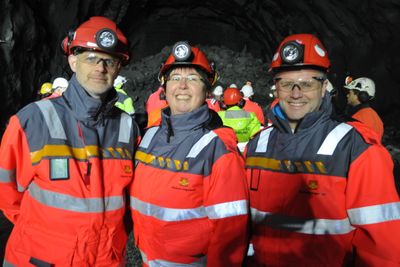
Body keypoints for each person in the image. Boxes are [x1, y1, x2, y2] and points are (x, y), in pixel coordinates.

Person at [245, 33, 400, 266]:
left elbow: (382, 249)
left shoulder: (357, 150)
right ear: (276, 87)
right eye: (286, 83)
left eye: (307, 83)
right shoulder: (257, 145)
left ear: (324, 86)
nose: (296, 93)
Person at [0, 16, 140, 266]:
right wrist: (45, 232)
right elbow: (7, 193)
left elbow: (129, 201)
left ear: (119, 67)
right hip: (42, 260)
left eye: (109, 60)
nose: (100, 68)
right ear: (73, 60)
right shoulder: (33, 120)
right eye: (90, 58)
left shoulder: (128, 128)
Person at [130, 41, 249, 266]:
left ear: (207, 89)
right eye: (175, 78)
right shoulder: (149, 137)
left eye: (193, 79)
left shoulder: (218, 149)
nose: (182, 86)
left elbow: (230, 234)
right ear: (164, 88)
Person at [218, 87, 261, 152]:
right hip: (245, 153)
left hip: (225, 152)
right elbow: (256, 136)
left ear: (224, 102)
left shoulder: (219, 115)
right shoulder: (251, 115)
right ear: (240, 102)